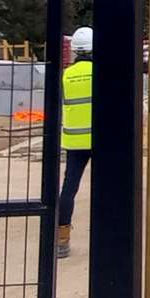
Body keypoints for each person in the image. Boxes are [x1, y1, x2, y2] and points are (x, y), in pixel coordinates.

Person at [58, 25, 94, 258]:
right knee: (108, 189)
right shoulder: (100, 71)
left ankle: (62, 240)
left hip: (73, 140)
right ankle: (109, 233)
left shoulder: (66, 75)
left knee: (69, 189)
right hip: (99, 138)